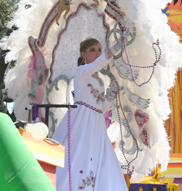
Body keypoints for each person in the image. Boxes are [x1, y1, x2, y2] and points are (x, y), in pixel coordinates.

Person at [52, 38, 128, 191]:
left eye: (99, 49)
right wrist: (111, 51)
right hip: (82, 120)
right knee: (79, 154)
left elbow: (101, 107)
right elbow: (96, 65)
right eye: (92, 50)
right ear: (83, 54)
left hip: (97, 123)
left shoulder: (100, 80)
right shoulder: (81, 71)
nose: (97, 53)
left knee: (99, 157)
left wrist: (110, 95)